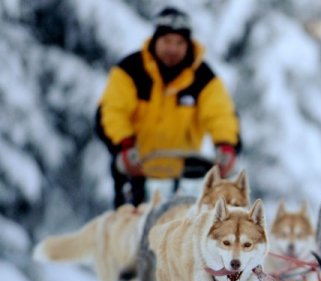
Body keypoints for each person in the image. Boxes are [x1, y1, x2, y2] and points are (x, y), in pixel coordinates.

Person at [95, 6, 241, 208]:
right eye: (167, 41)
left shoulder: (202, 77)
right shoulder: (131, 71)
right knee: (128, 230)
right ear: (155, 40)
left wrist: (226, 145)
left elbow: (221, 113)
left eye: (179, 42)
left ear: (188, 45)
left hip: (184, 175)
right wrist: (125, 145)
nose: (172, 49)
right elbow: (111, 111)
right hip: (137, 171)